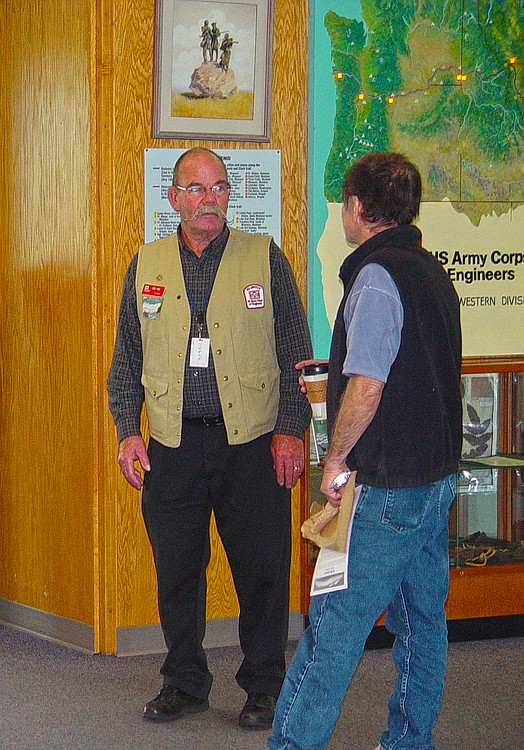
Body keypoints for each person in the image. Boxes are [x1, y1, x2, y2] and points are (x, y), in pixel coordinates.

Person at [107, 147, 312, 731]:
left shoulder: (263, 258)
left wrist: (290, 428)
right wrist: (128, 432)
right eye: (196, 189)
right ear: (172, 198)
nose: (209, 200)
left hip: (251, 443)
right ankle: (184, 682)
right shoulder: (145, 264)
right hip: (171, 445)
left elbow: (297, 354)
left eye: (219, 188)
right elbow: (125, 361)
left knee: (263, 571)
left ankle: (265, 686)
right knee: (176, 570)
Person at [268, 151, 462, 750]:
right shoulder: (430, 270)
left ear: (356, 208)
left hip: (385, 489)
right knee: (423, 625)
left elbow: (369, 384)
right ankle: (409, 741)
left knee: (332, 633)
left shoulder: (376, 277)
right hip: (436, 481)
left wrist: (334, 459)